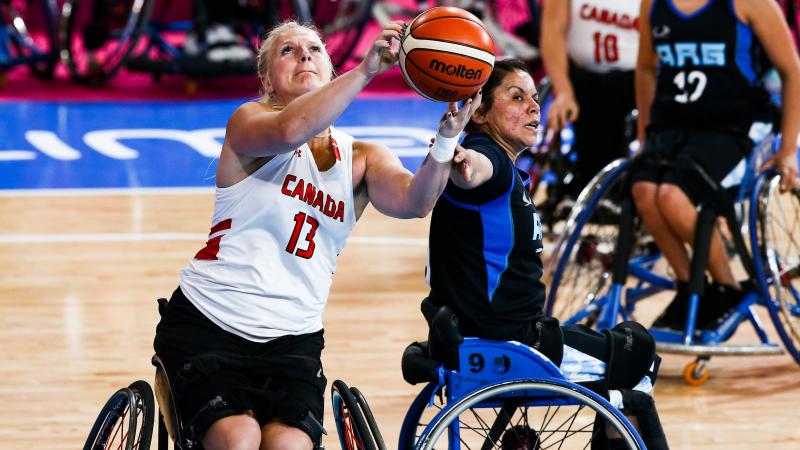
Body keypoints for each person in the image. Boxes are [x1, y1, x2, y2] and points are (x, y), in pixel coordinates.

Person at [153, 20, 482, 450]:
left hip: (292, 341)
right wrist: (365, 71)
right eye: (288, 51)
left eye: (314, 49)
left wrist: (447, 138)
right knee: (239, 437)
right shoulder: (249, 122)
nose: (305, 55)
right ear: (267, 79)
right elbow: (292, 130)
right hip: (210, 323)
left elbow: (414, 202)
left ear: (329, 69)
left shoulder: (362, 157)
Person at [414, 58, 668, 450]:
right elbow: (473, 170)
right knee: (639, 357)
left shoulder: (503, 166)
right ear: (479, 112)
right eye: (516, 98)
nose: (534, 107)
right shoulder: (490, 160)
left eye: (534, 98)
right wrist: (457, 158)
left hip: (479, 335)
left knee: (623, 345)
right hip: (510, 345)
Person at [633, 0, 800, 330]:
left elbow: (792, 71)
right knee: (642, 191)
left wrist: (788, 149)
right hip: (673, 123)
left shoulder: (751, 3)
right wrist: (644, 138)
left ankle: (726, 287)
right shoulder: (652, 5)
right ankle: (689, 286)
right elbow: (645, 68)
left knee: (672, 196)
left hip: (733, 125)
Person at [540, 0, 641, 203]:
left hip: (633, 82)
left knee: (611, 87)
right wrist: (563, 92)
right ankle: (588, 183)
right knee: (589, 86)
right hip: (582, 81)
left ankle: (610, 186)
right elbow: (552, 32)